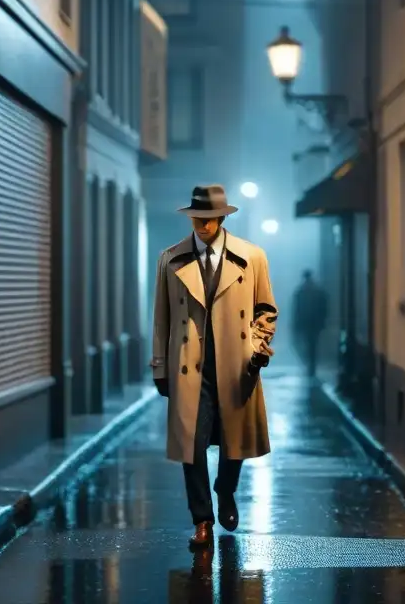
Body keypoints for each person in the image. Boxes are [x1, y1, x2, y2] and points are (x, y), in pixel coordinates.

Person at [150, 184, 279, 549]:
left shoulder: (251, 257)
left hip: (237, 365)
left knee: (234, 441)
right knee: (191, 447)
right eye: (197, 218)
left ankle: (225, 490)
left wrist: (256, 345)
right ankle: (202, 519)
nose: (203, 225)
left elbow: (266, 310)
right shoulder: (171, 259)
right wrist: (160, 365)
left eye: (209, 219)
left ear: (222, 218)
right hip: (190, 366)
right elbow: (161, 318)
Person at [292, 269, 328, 377]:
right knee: (313, 344)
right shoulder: (318, 291)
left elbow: (297, 310)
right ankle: (312, 366)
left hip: (305, 323)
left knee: (308, 343)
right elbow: (324, 308)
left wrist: (296, 324)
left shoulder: (300, 292)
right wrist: (323, 320)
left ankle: (310, 365)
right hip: (315, 323)